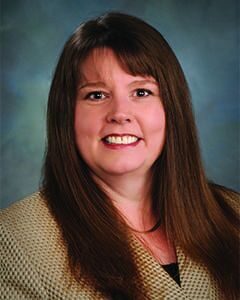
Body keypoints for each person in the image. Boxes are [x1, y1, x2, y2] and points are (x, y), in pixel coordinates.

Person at [0, 11, 239, 300]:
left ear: (171, 109)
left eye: (141, 92)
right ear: (67, 115)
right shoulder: (15, 239)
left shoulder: (233, 214)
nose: (120, 114)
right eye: (96, 95)